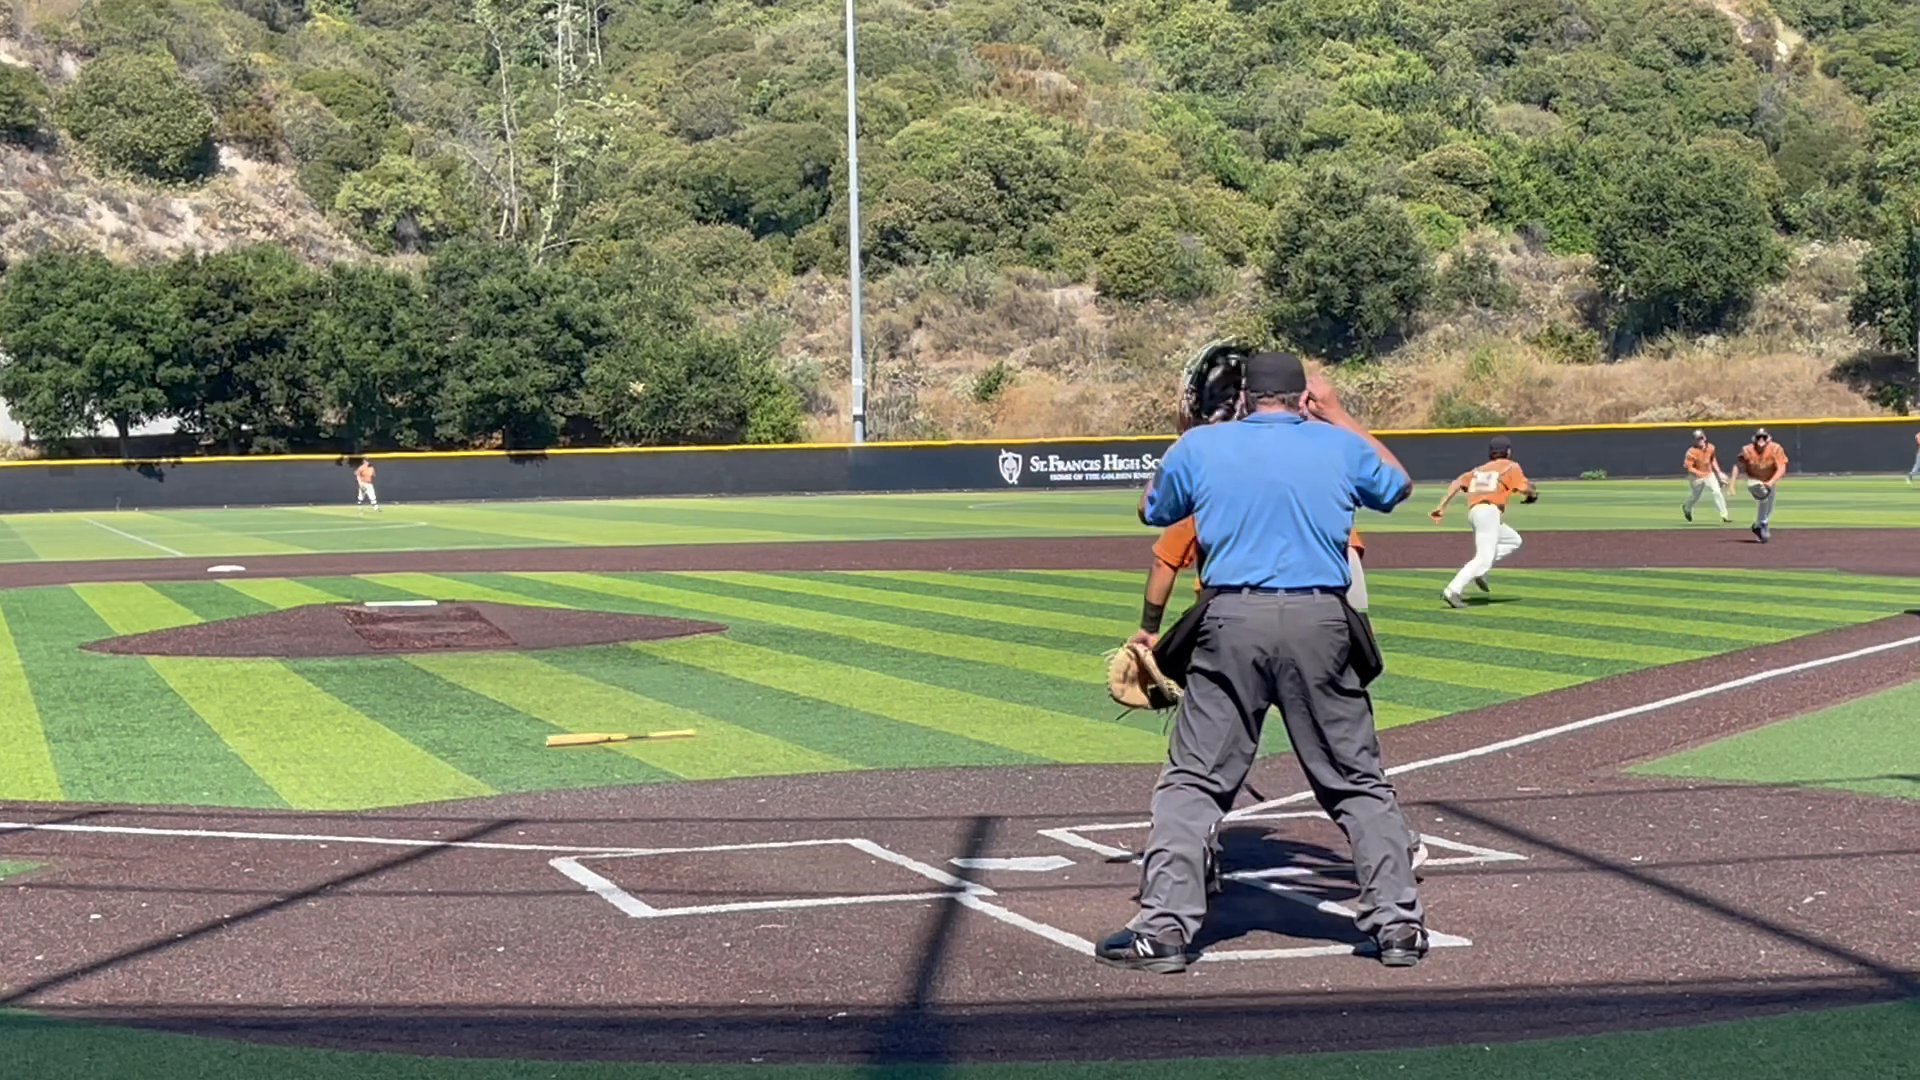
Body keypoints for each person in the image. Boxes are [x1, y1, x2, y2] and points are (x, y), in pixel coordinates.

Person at [1100, 351, 1426, 974]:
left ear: (1246, 395)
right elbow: (1399, 487)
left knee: (1195, 780)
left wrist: (1193, 446)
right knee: (1357, 780)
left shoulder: (1201, 445)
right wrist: (1337, 411)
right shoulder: (1337, 445)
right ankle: (1398, 926)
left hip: (1233, 620)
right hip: (1322, 621)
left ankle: (1165, 929)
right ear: (1304, 398)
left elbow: (1152, 510)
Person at [1430, 435, 1535, 609]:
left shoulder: (1479, 470)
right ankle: (1453, 590)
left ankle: (1482, 571)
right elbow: (1526, 488)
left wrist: (1441, 506)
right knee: (1483, 558)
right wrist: (1533, 494)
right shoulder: (1511, 466)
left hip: (1475, 512)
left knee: (1513, 540)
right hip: (1488, 512)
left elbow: (1456, 483)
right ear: (1508, 452)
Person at [1728, 427, 1787, 542]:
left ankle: (1757, 526)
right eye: (1758, 437)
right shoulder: (1747, 450)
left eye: (1763, 437)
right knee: (1763, 495)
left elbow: (1782, 468)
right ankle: (1763, 524)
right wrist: (1732, 484)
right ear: (1754, 439)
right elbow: (1738, 466)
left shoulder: (1776, 448)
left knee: (1769, 507)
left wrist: (1771, 482)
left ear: (1768, 439)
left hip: (1769, 480)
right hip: (1754, 480)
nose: (1761, 440)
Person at [1682, 429, 1729, 523]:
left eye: (1701, 438)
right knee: (1695, 496)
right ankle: (1687, 508)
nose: (1700, 440)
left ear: (1705, 438)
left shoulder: (1711, 447)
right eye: (1698, 439)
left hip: (1709, 474)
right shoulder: (1691, 452)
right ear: (1694, 440)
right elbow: (1689, 468)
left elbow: (1712, 460)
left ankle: (1724, 515)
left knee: (1717, 492)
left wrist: (1719, 472)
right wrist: (1700, 475)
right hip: (1695, 477)